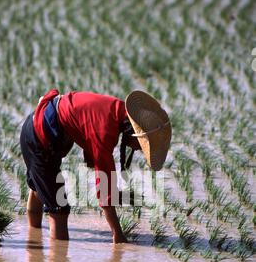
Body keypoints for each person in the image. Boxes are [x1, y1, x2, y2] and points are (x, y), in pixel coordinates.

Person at [20, 89, 171, 243]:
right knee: (59, 209)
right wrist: (118, 234)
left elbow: (86, 120)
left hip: (41, 129)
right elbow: (104, 192)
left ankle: (32, 245)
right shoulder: (105, 133)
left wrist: (113, 192)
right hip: (38, 136)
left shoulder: (116, 110)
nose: (139, 149)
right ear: (133, 134)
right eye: (142, 145)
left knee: (38, 189)